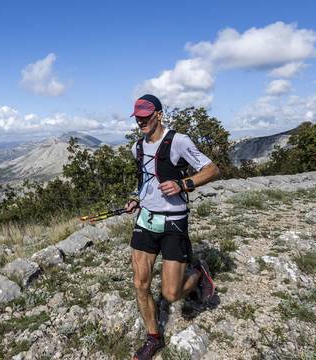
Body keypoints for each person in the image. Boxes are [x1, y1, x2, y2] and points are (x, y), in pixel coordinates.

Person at [125, 94, 220, 360]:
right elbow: (145, 180)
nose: (141, 121)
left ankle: (199, 274)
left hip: (173, 221)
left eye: (145, 115)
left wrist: (183, 184)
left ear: (158, 114)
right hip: (146, 220)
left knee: (170, 293)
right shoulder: (138, 147)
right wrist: (136, 198)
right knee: (140, 284)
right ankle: (153, 338)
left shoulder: (178, 141)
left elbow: (212, 169)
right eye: (138, 117)